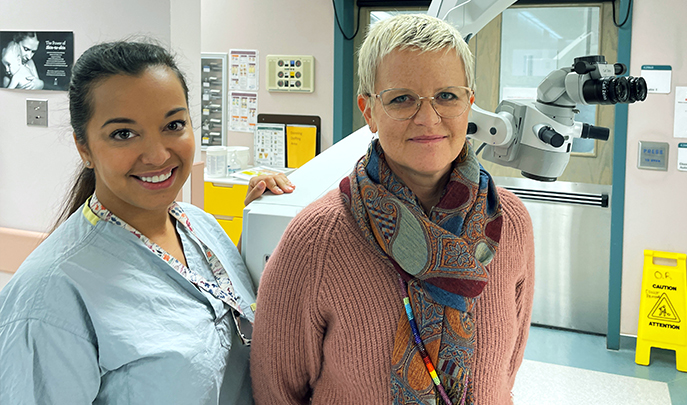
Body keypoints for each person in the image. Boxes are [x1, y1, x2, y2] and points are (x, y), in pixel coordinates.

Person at [250, 14, 534, 405]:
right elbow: (275, 390)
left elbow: (505, 371)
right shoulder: (318, 237)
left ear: (469, 103)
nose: (428, 117)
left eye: (447, 96)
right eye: (402, 98)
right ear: (368, 110)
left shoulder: (510, 223)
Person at [0, 41, 293, 404]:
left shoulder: (202, 228)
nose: (157, 154)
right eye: (123, 133)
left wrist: (266, 225)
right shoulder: (49, 297)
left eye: (173, 125)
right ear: (84, 148)